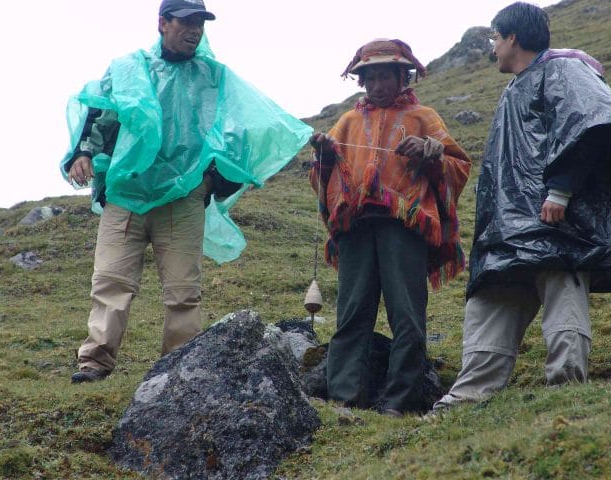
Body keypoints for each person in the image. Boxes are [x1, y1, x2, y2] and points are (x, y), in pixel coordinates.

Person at [433, 2, 611, 410]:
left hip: (554, 217)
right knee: (493, 298)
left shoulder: (564, 70)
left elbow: (590, 126)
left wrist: (560, 192)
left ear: (513, 39)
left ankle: (565, 389)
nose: (492, 48)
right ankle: (468, 396)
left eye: (495, 38)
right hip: (511, 225)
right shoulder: (519, 84)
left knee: (562, 289)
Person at [62, 0, 310, 383]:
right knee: (111, 282)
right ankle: (94, 362)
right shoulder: (128, 69)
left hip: (182, 197)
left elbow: (242, 125)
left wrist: (213, 179)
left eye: (200, 22)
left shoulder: (213, 76)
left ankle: (177, 367)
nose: (194, 29)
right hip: (126, 194)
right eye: (186, 22)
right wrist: (82, 153)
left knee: (183, 290)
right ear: (162, 23)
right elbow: (100, 110)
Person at [309, 39, 471, 415]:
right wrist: (324, 154)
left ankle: (399, 402)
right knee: (351, 316)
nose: (378, 85)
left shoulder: (423, 118)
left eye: (386, 76)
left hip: (404, 229)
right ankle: (343, 400)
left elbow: (459, 166)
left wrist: (432, 153)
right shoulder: (347, 122)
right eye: (371, 78)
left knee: (408, 317)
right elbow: (321, 173)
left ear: (403, 76)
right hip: (356, 229)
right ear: (361, 81)